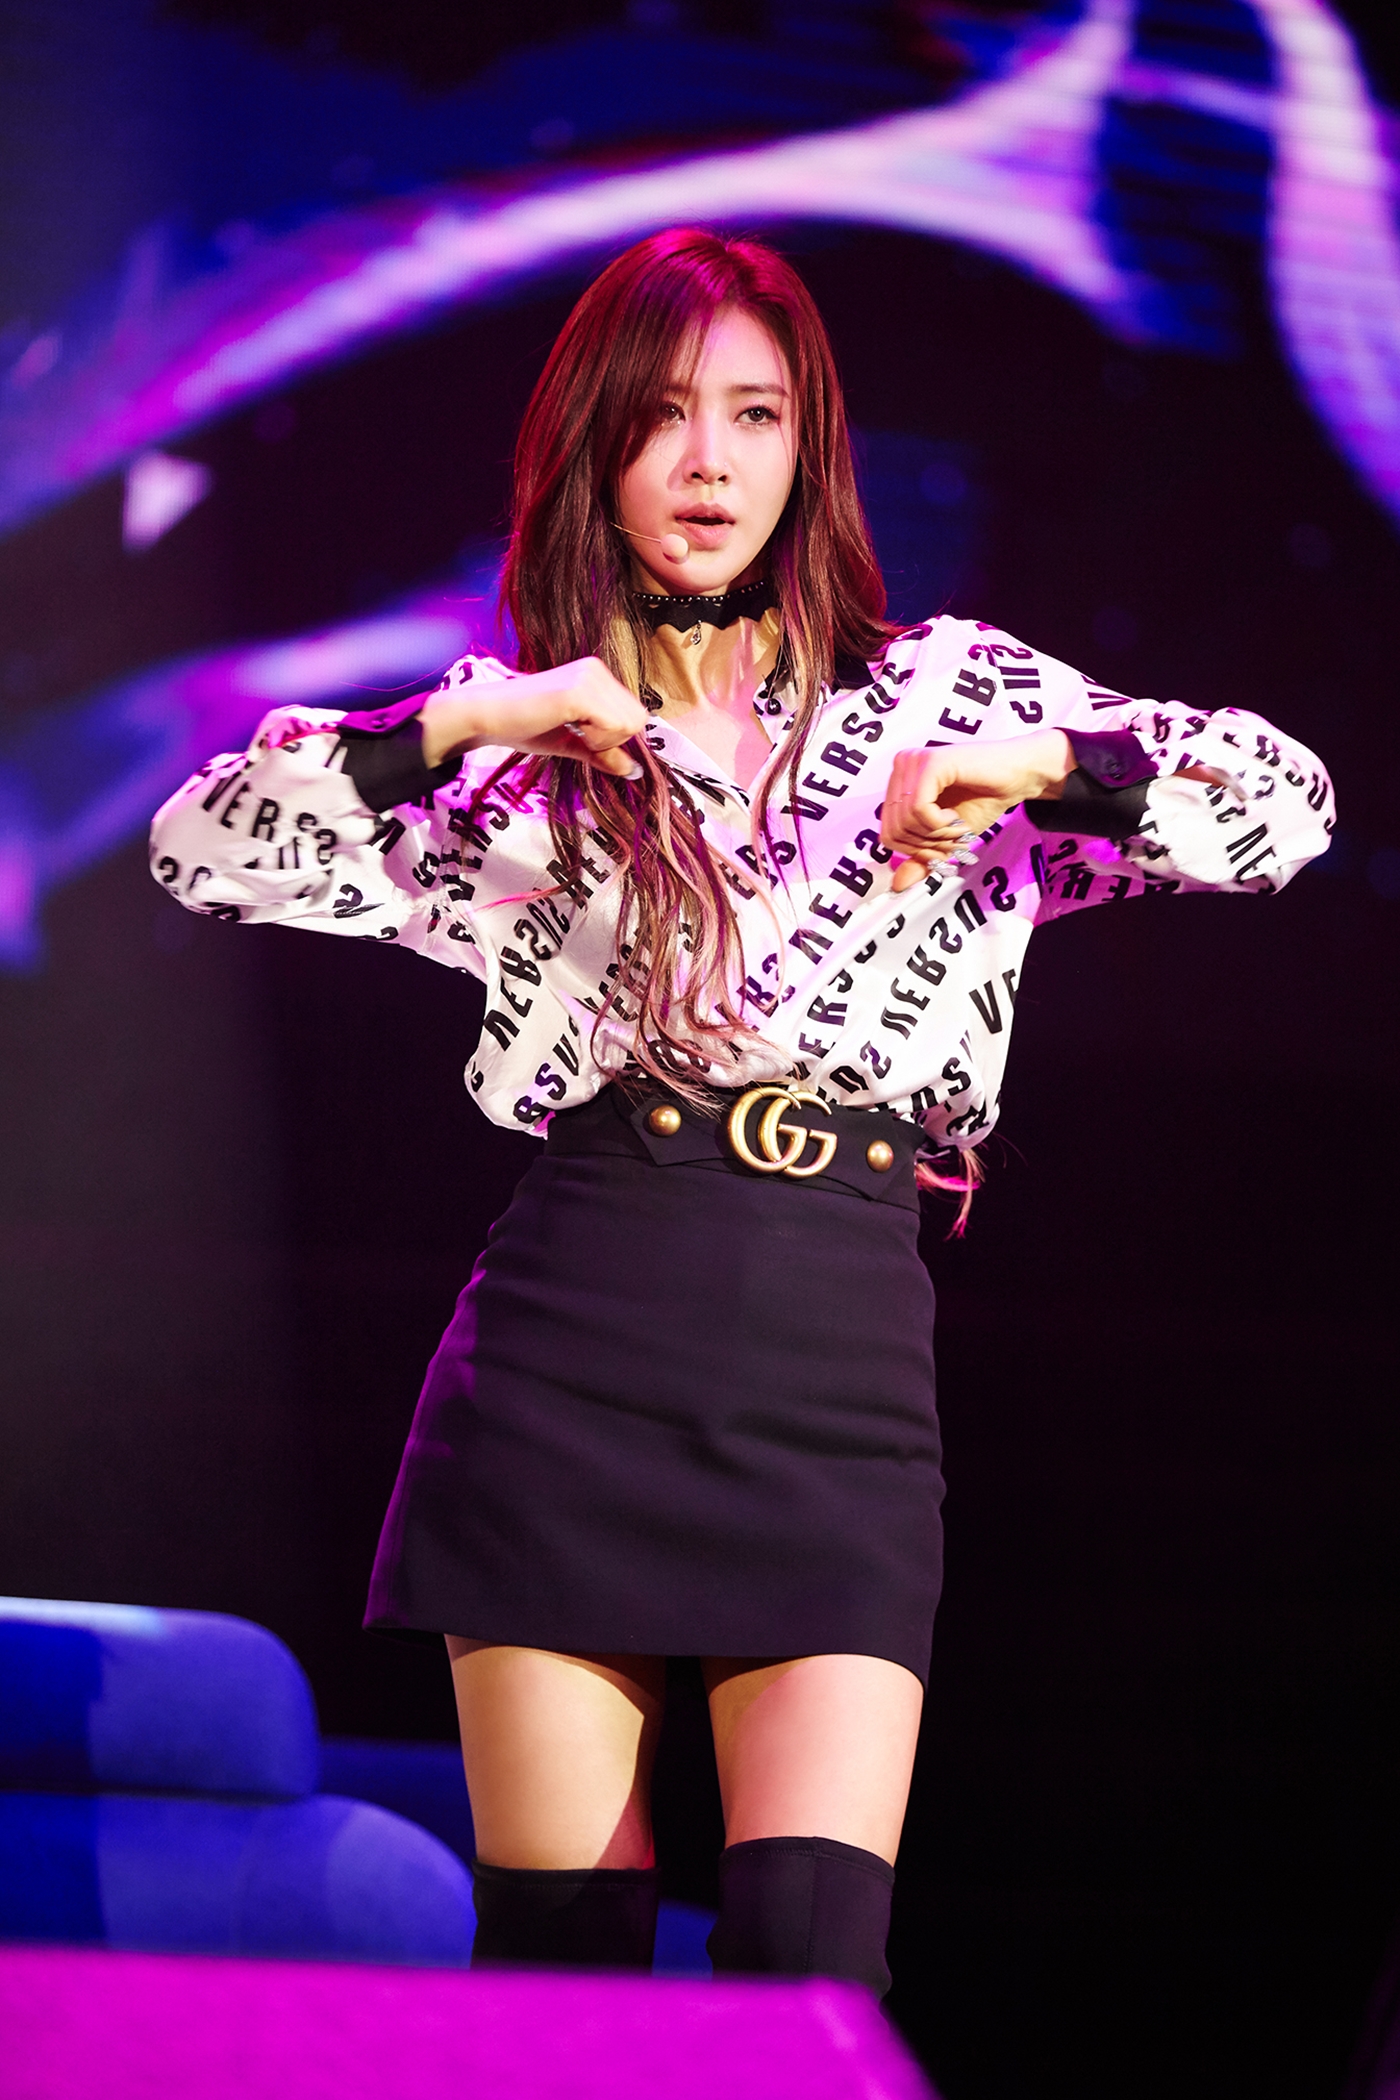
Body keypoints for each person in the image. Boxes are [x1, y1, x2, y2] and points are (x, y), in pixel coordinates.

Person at [149, 229, 1333, 1994]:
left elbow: (1286, 805)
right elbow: (203, 848)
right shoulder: (526, 744)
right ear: (595, 446)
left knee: (807, 1962)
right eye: (662, 416)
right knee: (562, 1974)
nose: (709, 461)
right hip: (574, 1338)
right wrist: (483, 715)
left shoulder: (950, 689)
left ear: (808, 448)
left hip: (836, 1356)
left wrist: (1034, 765)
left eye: (755, 415)